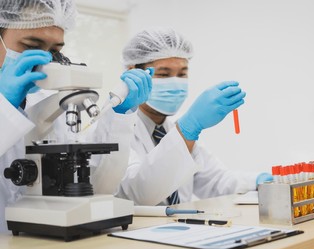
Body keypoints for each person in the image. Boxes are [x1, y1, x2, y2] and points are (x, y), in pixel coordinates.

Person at [0, 0, 152, 233]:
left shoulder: (51, 105)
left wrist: (120, 116)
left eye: (55, 52)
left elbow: (99, 183)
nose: (45, 61)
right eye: (31, 46)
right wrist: (5, 105)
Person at [115, 27, 272, 206]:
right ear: (133, 72)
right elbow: (138, 192)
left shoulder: (175, 128)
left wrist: (260, 181)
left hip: (181, 228)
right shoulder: (116, 130)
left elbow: (216, 181)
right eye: (164, 74)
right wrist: (189, 128)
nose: (175, 83)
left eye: (182, 74)